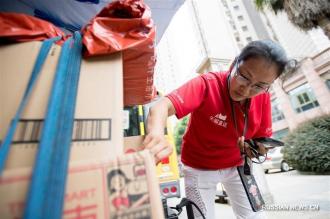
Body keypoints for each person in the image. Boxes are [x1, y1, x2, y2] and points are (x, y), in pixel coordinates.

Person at [142, 40, 289, 219]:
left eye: (259, 86)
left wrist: (255, 149)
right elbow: (161, 106)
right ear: (235, 63)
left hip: (238, 166)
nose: (247, 89)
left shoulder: (263, 97)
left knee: (255, 216)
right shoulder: (208, 84)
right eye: (244, 76)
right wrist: (156, 136)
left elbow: (261, 139)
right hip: (199, 167)